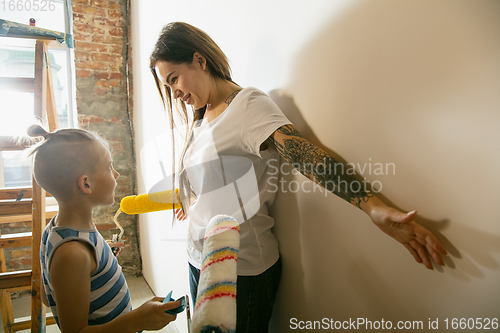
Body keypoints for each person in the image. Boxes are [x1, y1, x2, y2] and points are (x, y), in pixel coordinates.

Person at [149, 22, 448, 332]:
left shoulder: (247, 106)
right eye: (168, 88)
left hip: (242, 270)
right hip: (199, 259)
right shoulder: (203, 114)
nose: (174, 94)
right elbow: (212, 173)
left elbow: (303, 154)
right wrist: (192, 198)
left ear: (199, 60)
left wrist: (372, 206)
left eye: (174, 80)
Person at [28, 125, 180, 332]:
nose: (116, 174)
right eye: (109, 167)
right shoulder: (73, 252)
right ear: (86, 184)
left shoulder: (57, 230)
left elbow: (49, 296)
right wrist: (138, 320)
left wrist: (99, 262)